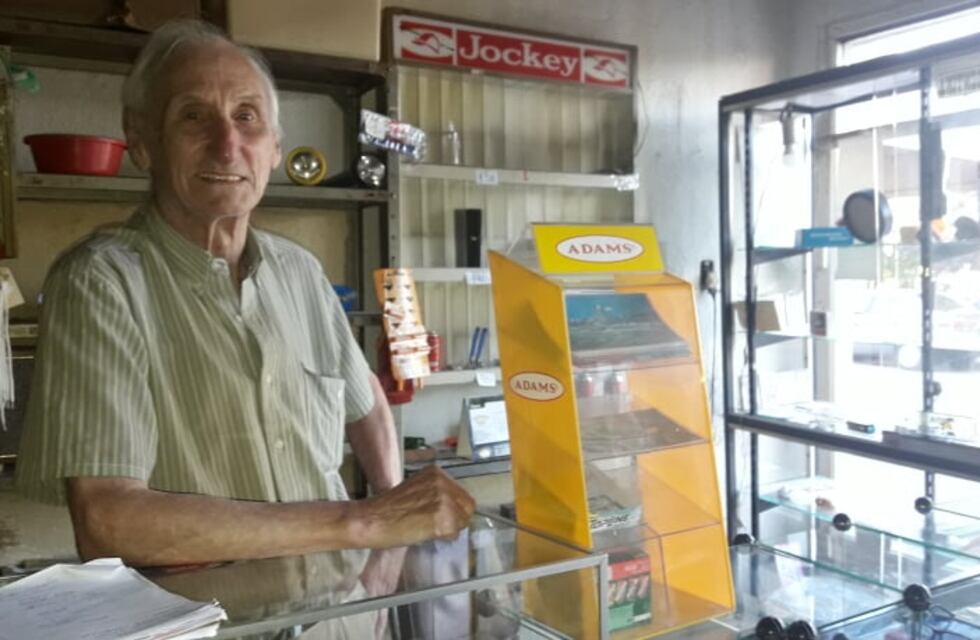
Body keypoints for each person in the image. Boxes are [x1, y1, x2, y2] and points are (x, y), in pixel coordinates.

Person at [15, 19, 475, 567]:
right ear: (141, 142)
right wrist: (366, 523)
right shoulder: (100, 282)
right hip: (210, 613)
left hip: (338, 605)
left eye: (247, 117)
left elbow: (366, 399)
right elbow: (107, 522)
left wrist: (389, 537)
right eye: (192, 116)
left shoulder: (300, 271)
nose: (227, 145)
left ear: (274, 147)